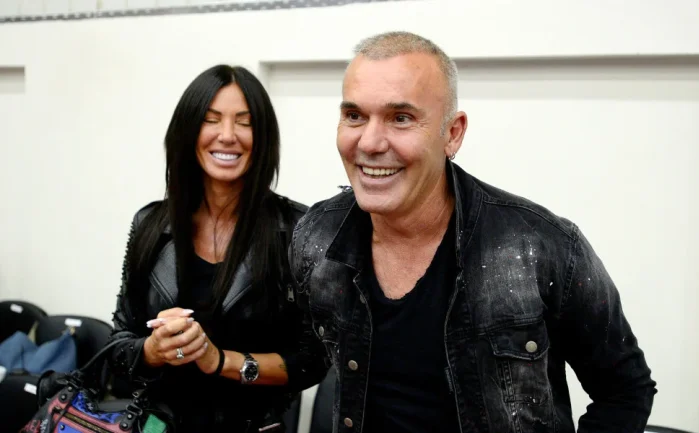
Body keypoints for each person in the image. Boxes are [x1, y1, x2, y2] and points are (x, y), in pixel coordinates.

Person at [288, 31, 657, 433]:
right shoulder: (316, 237)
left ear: (452, 133)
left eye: (401, 118)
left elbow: (625, 390)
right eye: (355, 116)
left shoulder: (542, 247)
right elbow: (309, 356)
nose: (370, 142)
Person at [108, 65, 327, 432]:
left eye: (244, 122)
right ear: (188, 131)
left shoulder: (297, 230)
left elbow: (312, 361)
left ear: (263, 137)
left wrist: (220, 360)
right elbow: (117, 347)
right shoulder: (150, 224)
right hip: (158, 425)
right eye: (211, 120)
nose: (227, 136)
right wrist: (153, 350)